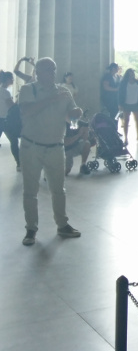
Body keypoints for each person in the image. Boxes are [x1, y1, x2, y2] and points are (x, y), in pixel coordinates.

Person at [19, 57, 83, 246]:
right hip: (32, 147)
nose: (52, 73)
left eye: (53, 69)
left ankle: (62, 224)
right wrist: (51, 99)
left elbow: (71, 114)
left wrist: (75, 113)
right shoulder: (28, 89)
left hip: (56, 146)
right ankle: (31, 229)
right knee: (30, 191)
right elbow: (27, 111)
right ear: (37, 72)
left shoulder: (64, 91)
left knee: (59, 189)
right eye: (47, 69)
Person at [0, 70, 21, 170]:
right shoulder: (5, 92)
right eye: (12, 78)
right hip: (5, 120)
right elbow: (12, 107)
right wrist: (19, 98)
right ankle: (19, 163)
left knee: (13, 141)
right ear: (7, 80)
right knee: (14, 141)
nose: (13, 80)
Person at [117, 68, 138, 145]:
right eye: (130, 73)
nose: (132, 75)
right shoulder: (123, 83)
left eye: (133, 73)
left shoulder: (137, 82)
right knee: (126, 121)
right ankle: (126, 138)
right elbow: (120, 94)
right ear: (127, 74)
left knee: (137, 120)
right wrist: (120, 104)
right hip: (126, 104)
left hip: (135, 103)